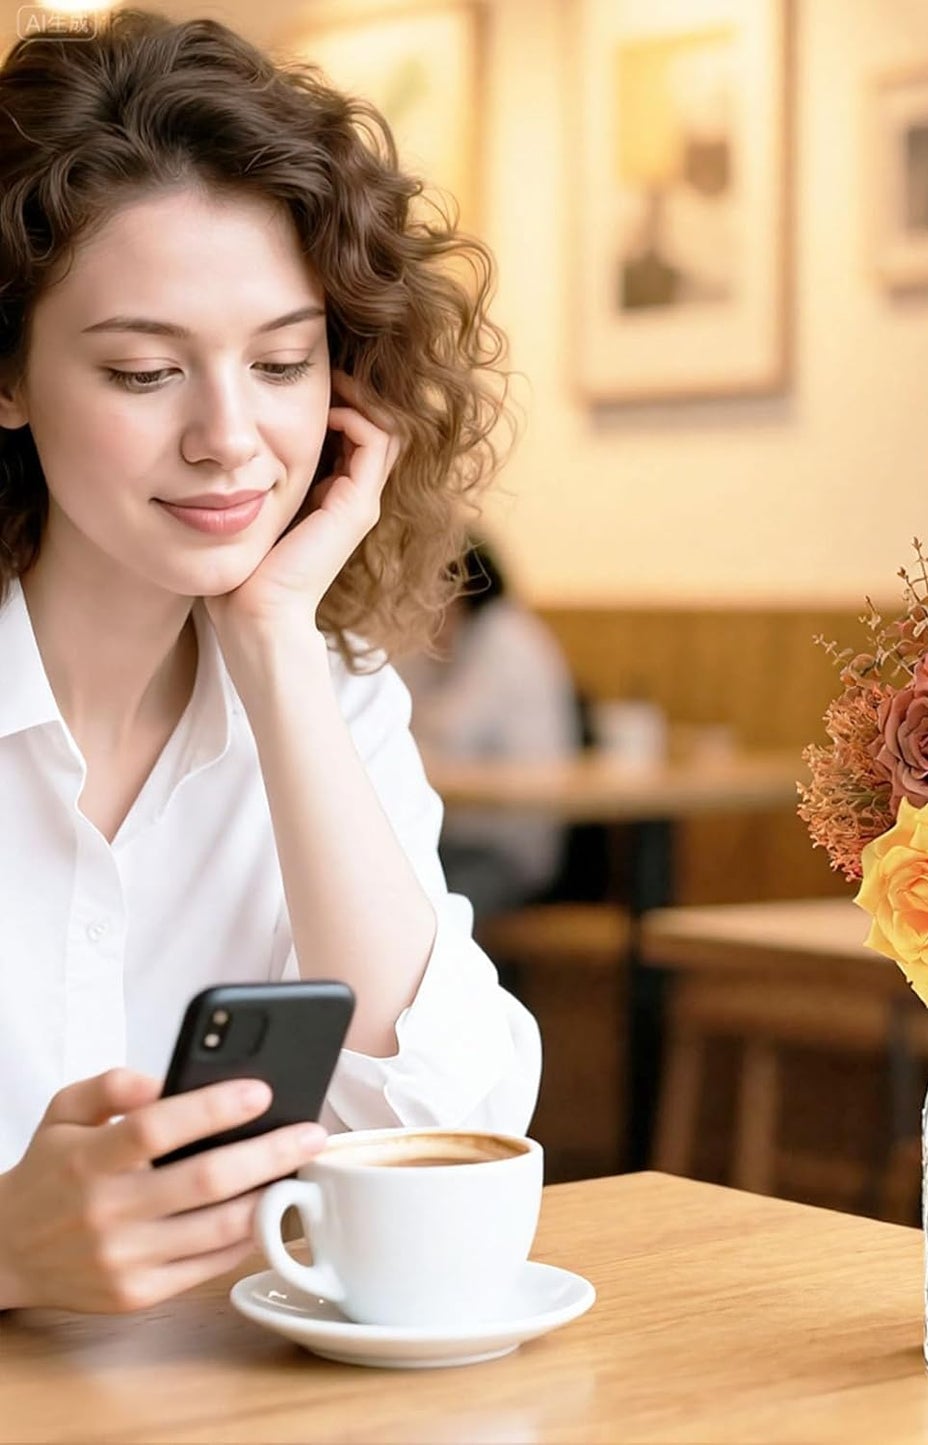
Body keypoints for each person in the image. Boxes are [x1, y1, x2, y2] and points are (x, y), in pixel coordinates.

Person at [0, 10, 538, 1314]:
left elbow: (450, 1122)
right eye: (143, 372)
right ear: (7, 374)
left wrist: (276, 643)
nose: (231, 439)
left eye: (284, 362)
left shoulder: (325, 690)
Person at [401, 540, 584, 921]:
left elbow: (445, 729)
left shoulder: (506, 637)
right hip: (456, 837)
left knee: (426, 911)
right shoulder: (456, 640)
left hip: (506, 848)